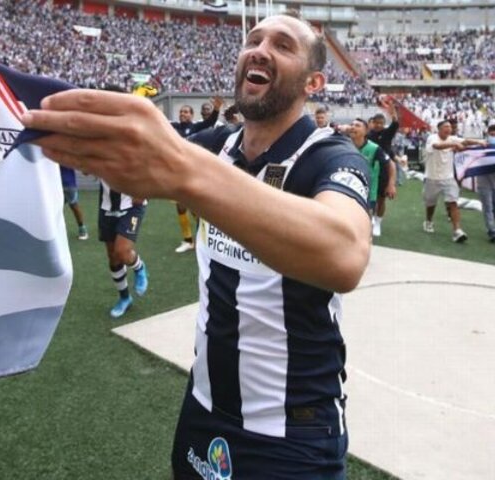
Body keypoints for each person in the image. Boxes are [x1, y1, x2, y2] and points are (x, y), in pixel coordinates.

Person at [22, 12, 371, 479]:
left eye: (283, 45)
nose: (260, 50)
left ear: (314, 83)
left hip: (291, 430)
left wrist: (186, 170)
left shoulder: (329, 156)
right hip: (204, 406)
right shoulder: (217, 146)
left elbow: (345, 255)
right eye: (253, 40)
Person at [171, 98, 222, 253]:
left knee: (195, 207)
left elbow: (210, 122)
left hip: (193, 171)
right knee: (181, 207)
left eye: (186, 112)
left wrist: (216, 109)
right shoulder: (173, 127)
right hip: (178, 171)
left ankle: (204, 236)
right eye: (181, 111)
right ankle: (189, 240)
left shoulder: (195, 127)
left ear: (192, 115)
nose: (182, 114)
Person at [422, 119, 484, 243]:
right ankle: (428, 221)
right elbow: (437, 146)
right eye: (446, 126)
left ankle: (457, 231)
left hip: (448, 178)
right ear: (439, 129)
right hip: (432, 178)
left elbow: (465, 141)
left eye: (450, 127)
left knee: (453, 203)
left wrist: (479, 142)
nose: (449, 129)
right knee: (430, 203)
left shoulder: (452, 138)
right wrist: (454, 145)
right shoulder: (432, 138)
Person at [97, 178, 149, 318]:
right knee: (113, 257)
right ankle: (125, 298)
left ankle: (139, 267)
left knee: (122, 252)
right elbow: (87, 170)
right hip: (106, 206)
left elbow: (150, 166)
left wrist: (143, 190)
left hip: (132, 205)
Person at [348, 118, 396, 233]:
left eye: (357, 125)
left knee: (365, 224)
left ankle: (374, 226)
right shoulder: (344, 144)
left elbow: (391, 164)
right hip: (348, 188)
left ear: (366, 131)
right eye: (352, 125)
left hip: (368, 192)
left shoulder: (374, 148)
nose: (353, 127)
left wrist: (391, 184)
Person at [368, 97, 399, 236]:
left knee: (381, 198)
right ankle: (370, 219)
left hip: (385, 169)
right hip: (370, 168)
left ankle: (378, 222)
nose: (379, 125)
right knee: (370, 197)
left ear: (384, 124)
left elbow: (396, 123)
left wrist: (392, 111)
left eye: (381, 123)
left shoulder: (387, 133)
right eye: (376, 123)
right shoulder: (368, 135)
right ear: (372, 123)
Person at [476, 124, 495, 242]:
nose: (493, 137)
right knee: (488, 207)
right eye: (492, 134)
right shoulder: (480, 146)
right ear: (488, 134)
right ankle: (492, 231)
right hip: (484, 182)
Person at [60, 165, 89, 240]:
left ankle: (82, 229)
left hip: (68, 184)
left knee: (74, 206)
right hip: (54, 185)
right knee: (55, 209)